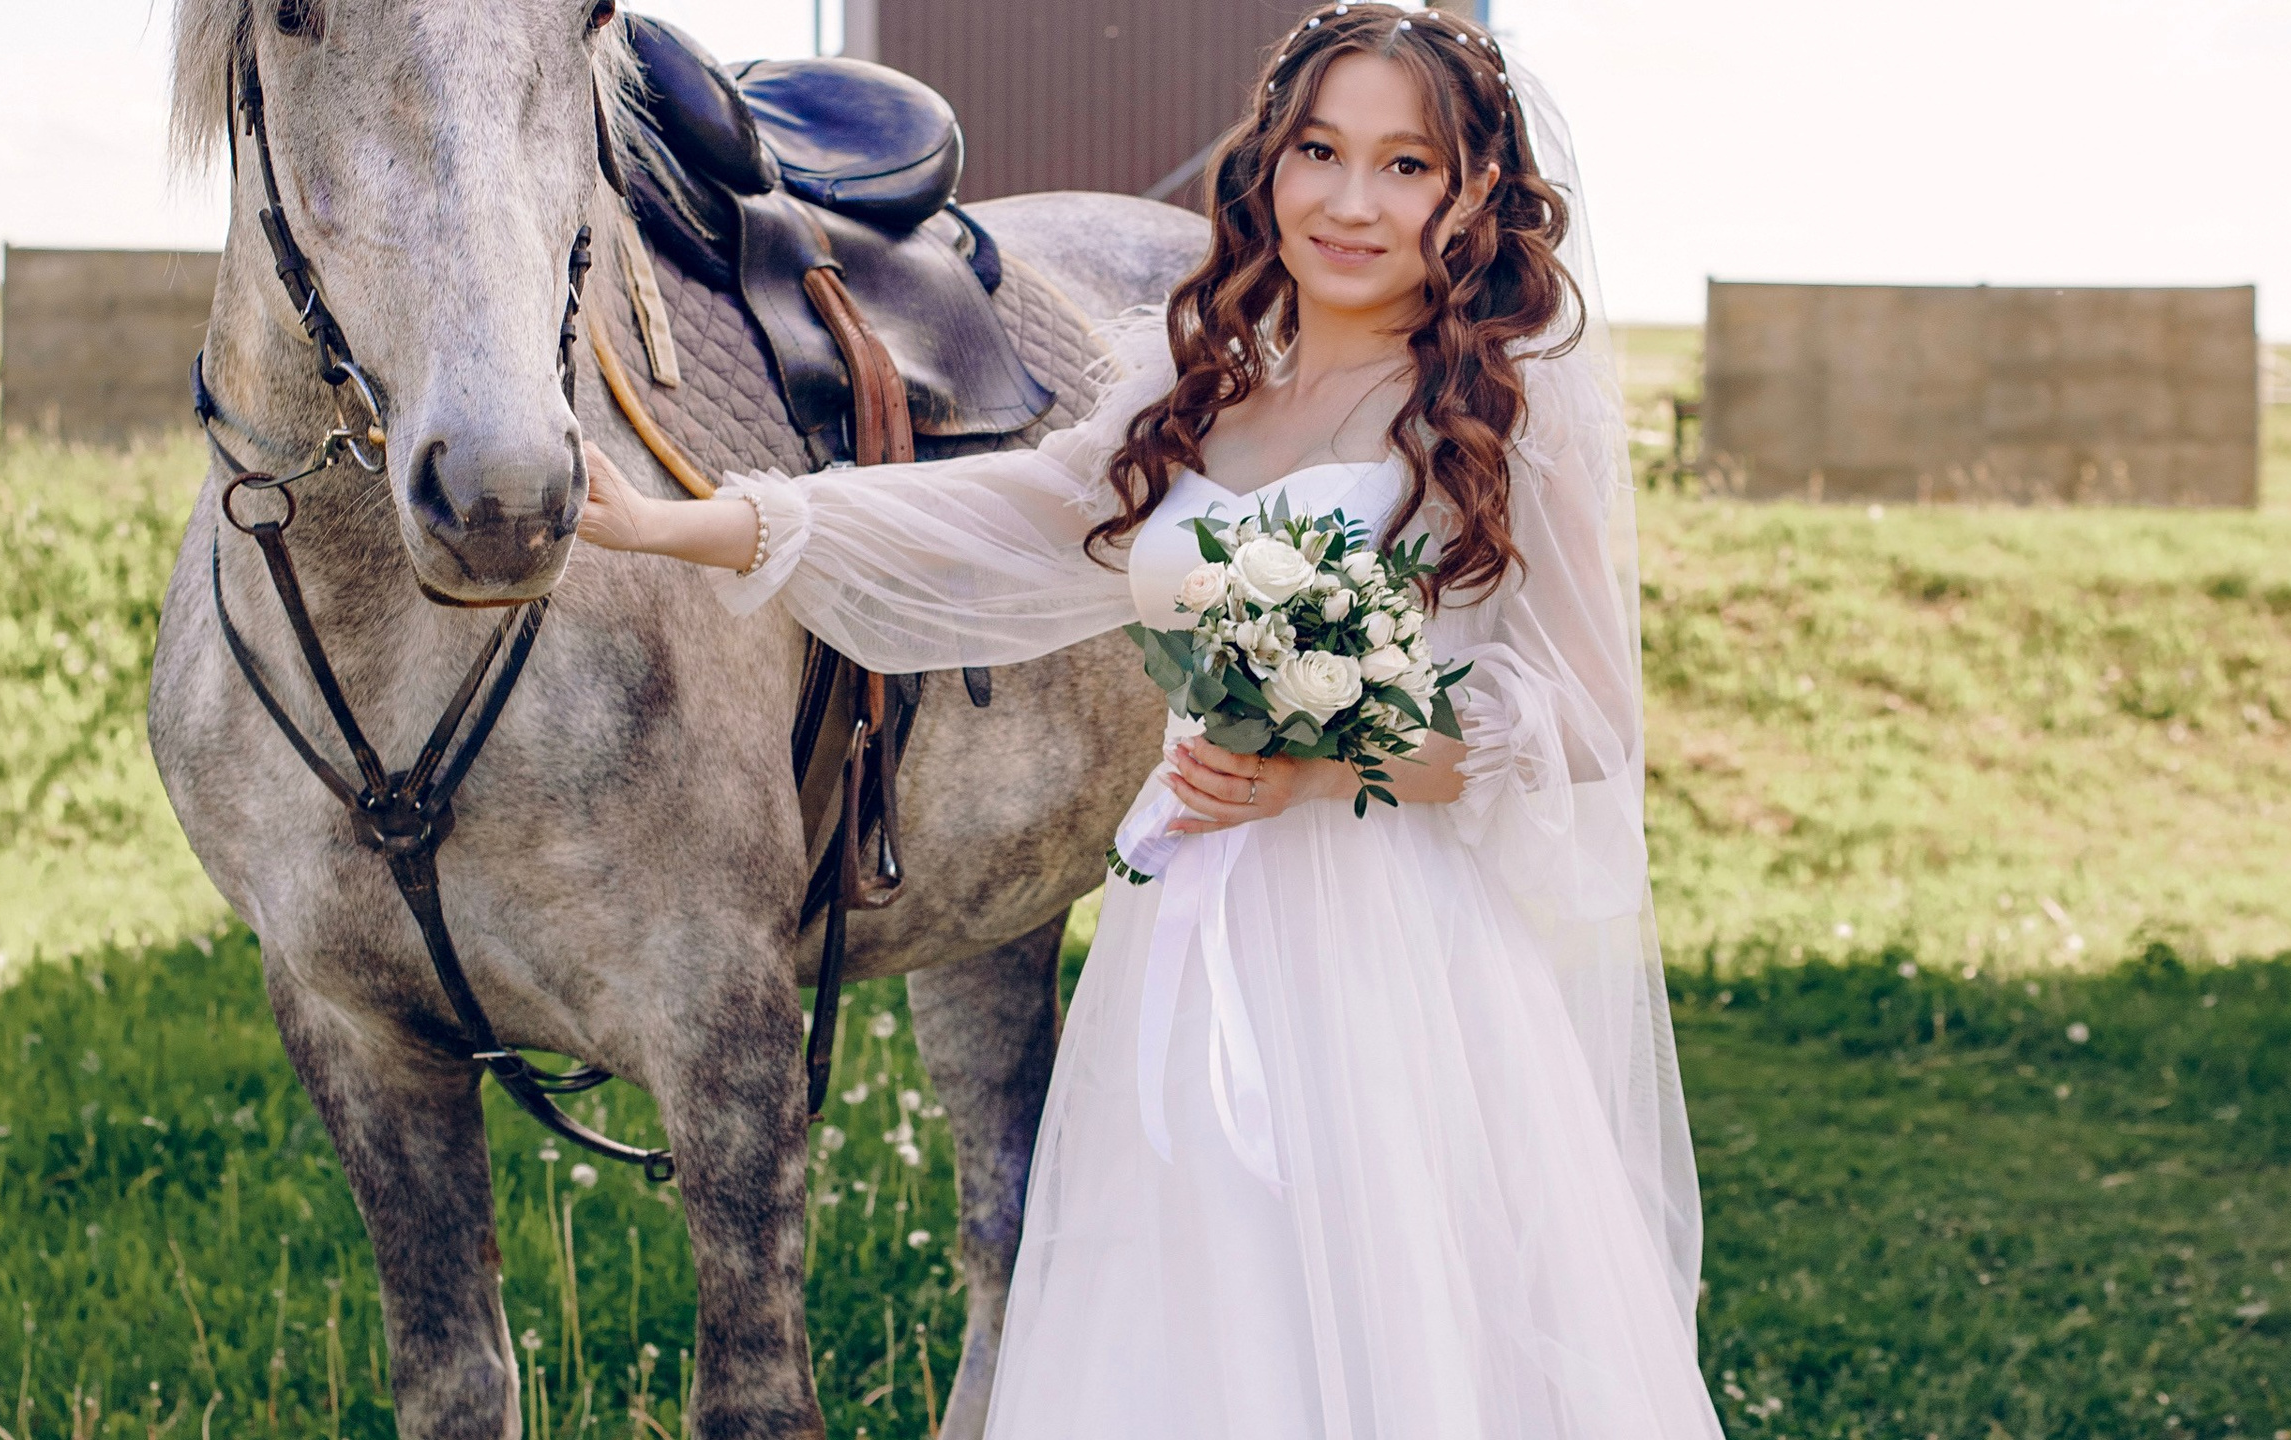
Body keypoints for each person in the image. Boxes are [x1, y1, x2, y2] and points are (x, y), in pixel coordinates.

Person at [579, 5, 1724, 1434]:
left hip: (1393, 964)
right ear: (1269, 161)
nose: (1350, 201)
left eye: (1406, 165)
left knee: (1390, 1329)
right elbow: (1008, 509)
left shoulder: (1493, 406)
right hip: (1187, 931)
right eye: (1318, 149)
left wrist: (1337, 758)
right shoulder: (1200, 381)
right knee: (1189, 1319)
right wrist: (694, 520)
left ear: (1475, 191)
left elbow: (1592, 727)